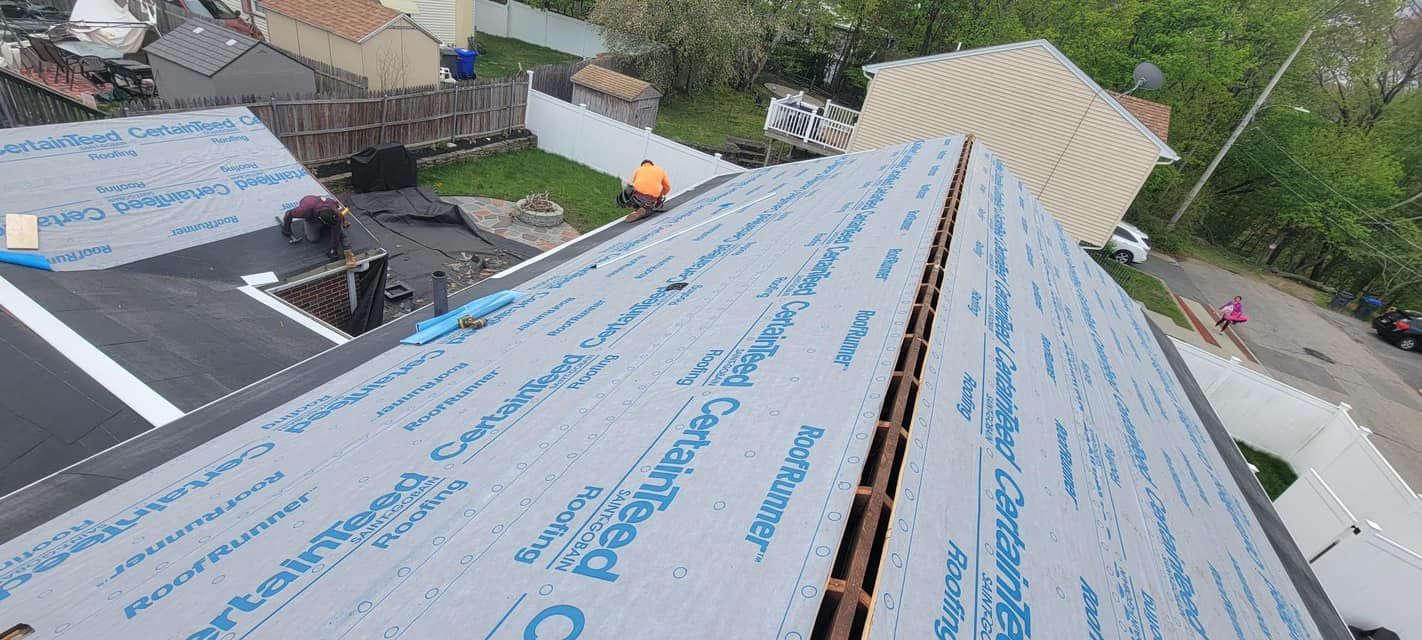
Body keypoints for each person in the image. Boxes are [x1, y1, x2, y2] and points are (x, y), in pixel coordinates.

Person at [282, 195, 349, 258]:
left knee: (336, 228)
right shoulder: (304, 210)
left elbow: (336, 233)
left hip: (323, 207)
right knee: (313, 239)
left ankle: (325, 226)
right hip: (310, 207)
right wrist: (286, 229)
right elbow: (288, 214)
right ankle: (306, 223)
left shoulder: (336, 214)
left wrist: (333, 250)